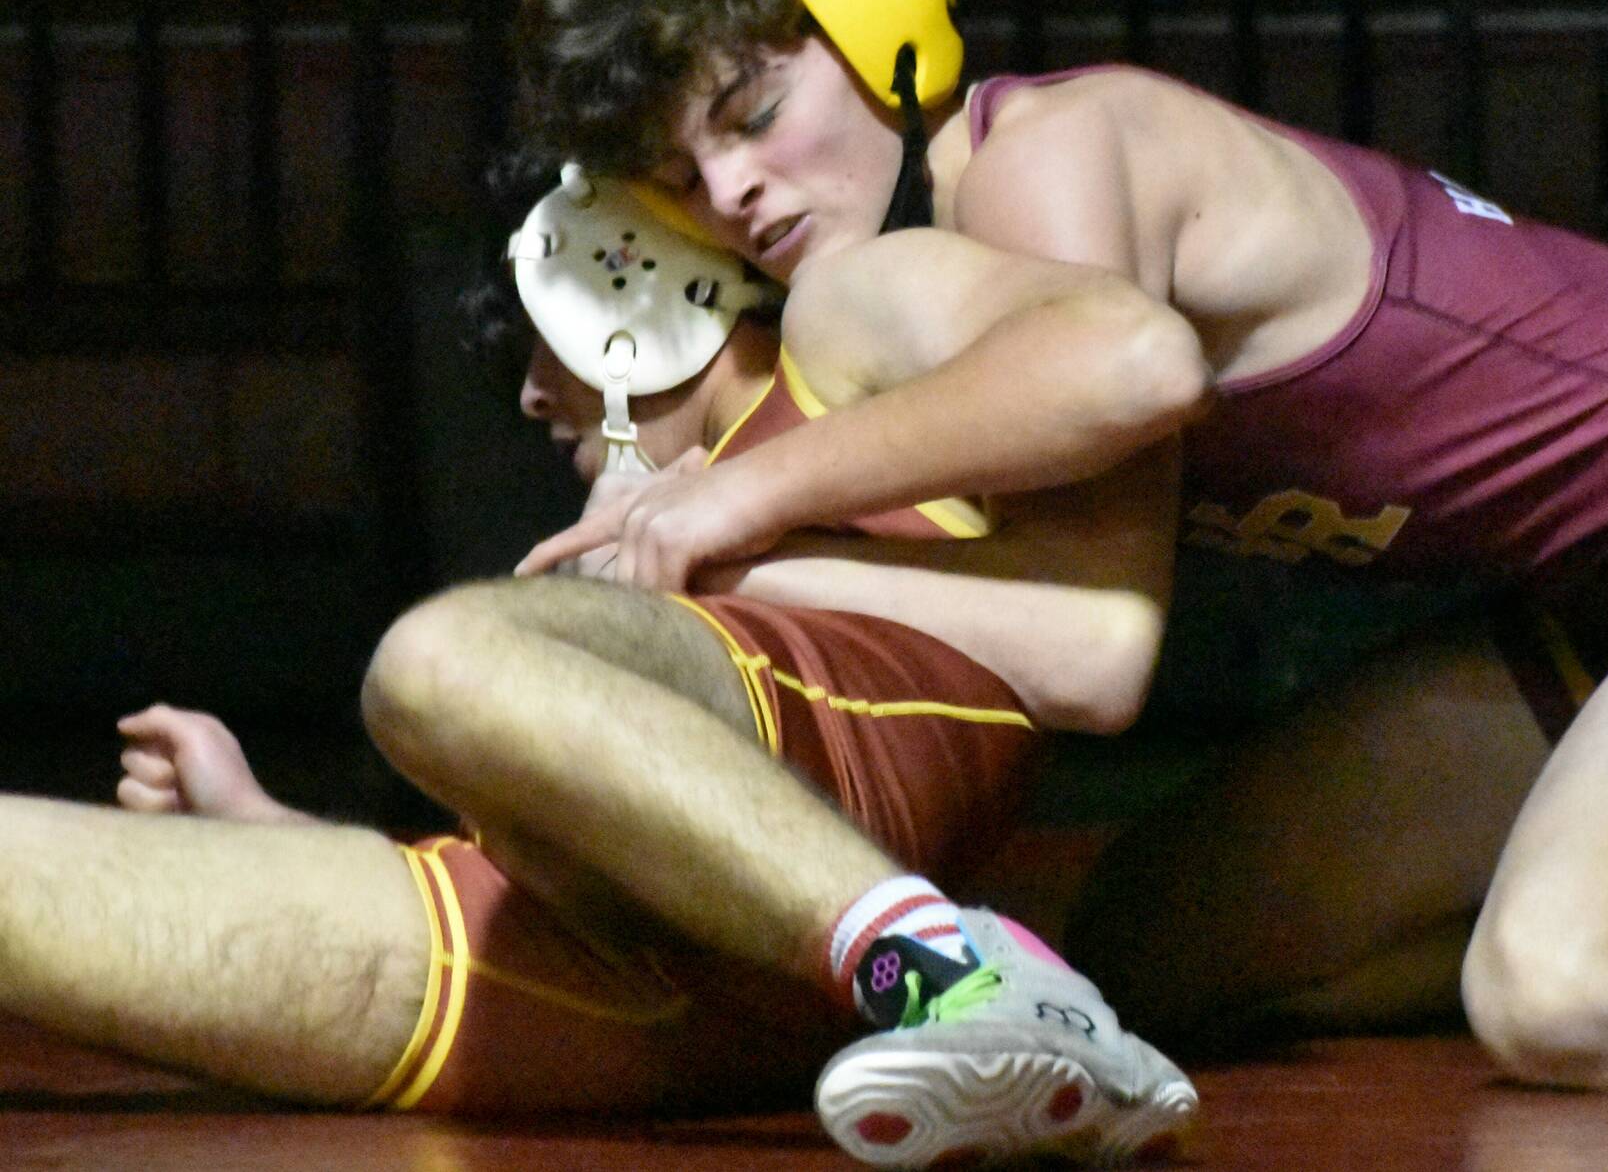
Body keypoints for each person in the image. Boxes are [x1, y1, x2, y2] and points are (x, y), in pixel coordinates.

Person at [512, 0, 1608, 1093]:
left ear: (880, 17)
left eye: (758, 110)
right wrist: (694, 520)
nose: (739, 190)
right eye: (683, 176)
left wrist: (743, 500)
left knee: (1561, 983)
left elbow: (1108, 587)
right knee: (1144, 952)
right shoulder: (937, 299)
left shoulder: (1049, 157)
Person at [0, 171, 1196, 1168]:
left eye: (539, 340)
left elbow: (1127, 368)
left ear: (628, 279)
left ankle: (955, 975)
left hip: (843, 775)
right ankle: (926, 979)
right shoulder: (643, 568)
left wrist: (734, 512)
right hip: (699, 977)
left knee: (442, 657)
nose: (528, 393)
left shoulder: (840, 326)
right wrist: (259, 825)